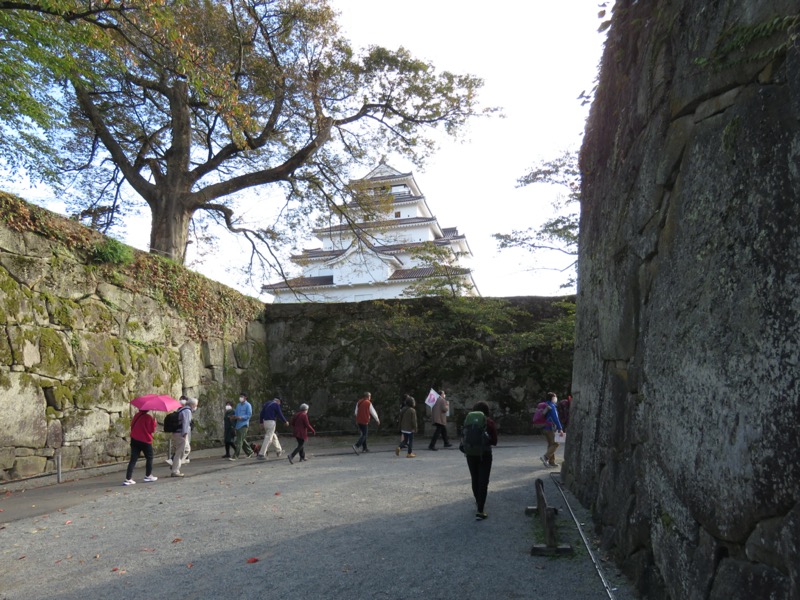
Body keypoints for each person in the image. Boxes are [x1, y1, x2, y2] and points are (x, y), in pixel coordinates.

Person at [465, 401, 498, 520]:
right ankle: (480, 510)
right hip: (485, 454)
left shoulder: (468, 420)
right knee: (483, 481)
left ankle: (478, 501)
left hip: (470, 453)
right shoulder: (489, 422)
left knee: (475, 478)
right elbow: (494, 441)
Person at [123, 408, 158, 485]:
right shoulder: (148, 417)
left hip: (134, 439)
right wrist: (154, 422)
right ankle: (148, 475)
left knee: (133, 459)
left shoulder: (136, 416)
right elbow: (151, 430)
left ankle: (128, 478)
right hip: (145, 440)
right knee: (149, 457)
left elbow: (132, 425)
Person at [171, 397, 198, 477]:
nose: (196, 406)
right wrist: (185, 434)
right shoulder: (187, 411)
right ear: (193, 405)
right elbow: (186, 423)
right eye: (196, 405)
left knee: (186, 450)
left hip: (177, 433)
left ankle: (175, 465)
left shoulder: (182, 409)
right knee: (180, 452)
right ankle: (175, 470)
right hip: (181, 434)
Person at [540, 392, 564, 468]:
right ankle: (545, 457)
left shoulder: (545, 405)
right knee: (556, 443)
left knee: (551, 444)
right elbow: (555, 418)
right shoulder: (552, 406)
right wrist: (560, 428)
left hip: (545, 428)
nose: (556, 398)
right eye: (555, 397)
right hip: (550, 428)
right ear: (552, 398)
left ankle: (551, 462)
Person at [166, 395, 192, 465]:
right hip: (182, 433)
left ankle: (176, 462)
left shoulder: (181, 410)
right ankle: (176, 463)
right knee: (182, 449)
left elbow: (185, 423)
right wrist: (185, 433)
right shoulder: (185, 410)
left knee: (183, 449)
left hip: (179, 432)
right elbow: (185, 423)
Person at [230, 392, 254, 460]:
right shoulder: (238, 405)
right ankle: (250, 452)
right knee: (242, 439)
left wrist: (241, 417)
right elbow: (236, 414)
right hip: (238, 425)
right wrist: (234, 417)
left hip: (244, 424)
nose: (240, 398)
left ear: (245, 397)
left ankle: (236, 456)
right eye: (240, 396)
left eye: (242, 396)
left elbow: (249, 415)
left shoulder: (248, 405)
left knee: (239, 441)